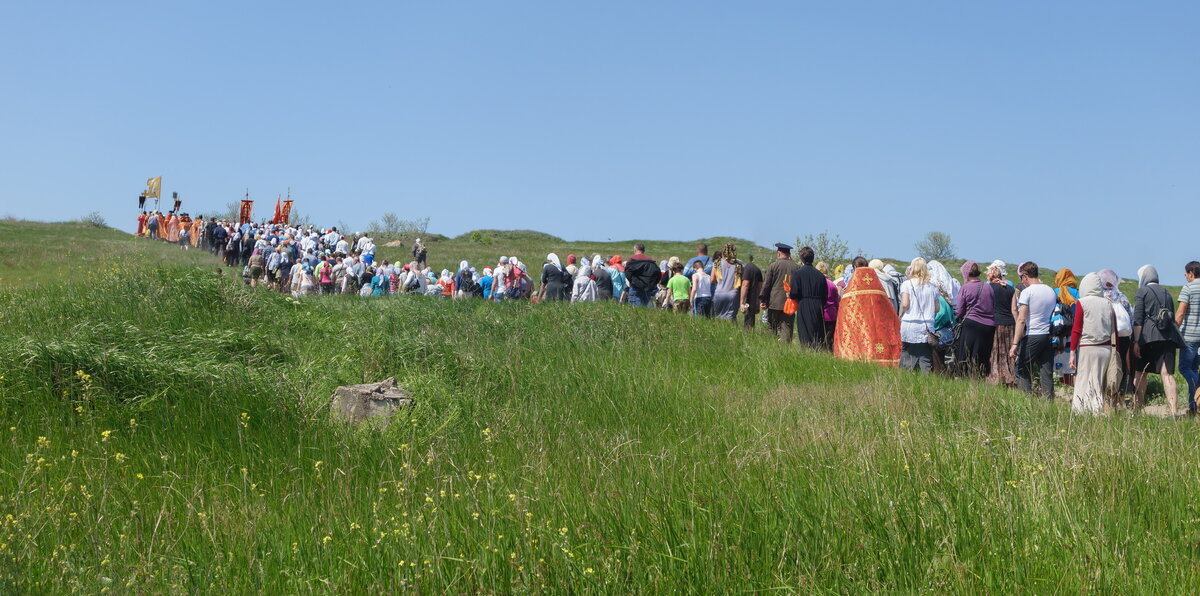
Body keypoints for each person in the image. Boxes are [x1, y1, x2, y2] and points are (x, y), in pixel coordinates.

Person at [1132, 264, 1182, 414]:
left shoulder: (1142, 292)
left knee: (1140, 372)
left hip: (1148, 338)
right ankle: (1173, 411)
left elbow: (1138, 319)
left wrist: (1136, 341)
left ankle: (1138, 407)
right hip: (1168, 337)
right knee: (1167, 375)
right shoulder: (1167, 292)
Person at [1069, 273, 1117, 415]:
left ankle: (1081, 410)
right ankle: (1097, 409)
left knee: (1084, 379)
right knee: (1098, 381)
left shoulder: (1082, 302)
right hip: (1106, 348)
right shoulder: (1108, 303)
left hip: (1087, 347)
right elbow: (1114, 329)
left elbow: (1077, 329)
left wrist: (1072, 351)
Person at [833, 266, 901, 366]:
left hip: (860, 328)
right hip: (877, 328)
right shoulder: (880, 293)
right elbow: (889, 313)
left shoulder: (849, 297)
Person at [1010, 262, 1057, 400]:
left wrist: (1015, 344)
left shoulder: (1027, 292)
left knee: (1020, 368)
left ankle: (1028, 399)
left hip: (1033, 335)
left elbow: (1021, 319)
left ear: (1025, 276)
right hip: (1048, 335)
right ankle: (1048, 402)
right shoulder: (1050, 291)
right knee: (1046, 371)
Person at [899, 258, 940, 372]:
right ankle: (926, 382)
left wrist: (900, 315)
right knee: (925, 357)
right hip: (926, 326)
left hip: (909, 324)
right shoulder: (933, 287)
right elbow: (937, 309)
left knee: (907, 354)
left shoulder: (907, 284)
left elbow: (905, 304)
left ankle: (906, 377)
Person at [955, 261, 996, 377]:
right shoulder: (988, 287)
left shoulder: (965, 288)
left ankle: (964, 378)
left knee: (966, 355)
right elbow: (993, 306)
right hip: (989, 327)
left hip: (971, 324)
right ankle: (980, 377)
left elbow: (959, 311)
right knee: (982, 355)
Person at [1099, 268, 1134, 402]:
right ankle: (1121, 394)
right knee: (1122, 365)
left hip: (1108, 335)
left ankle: (1108, 395)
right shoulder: (1121, 296)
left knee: (1109, 364)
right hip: (1124, 335)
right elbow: (1130, 316)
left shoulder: (1101, 296)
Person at [788, 247, 829, 349]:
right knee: (817, 331)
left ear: (801, 259)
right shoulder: (820, 276)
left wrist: (789, 294)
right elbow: (825, 294)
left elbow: (794, 293)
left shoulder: (797, 274)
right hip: (818, 305)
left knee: (805, 331)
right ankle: (817, 352)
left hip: (804, 304)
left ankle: (807, 352)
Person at [759, 243, 799, 342]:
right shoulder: (796, 267)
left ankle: (770, 347)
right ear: (789, 254)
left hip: (774, 302)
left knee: (771, 328)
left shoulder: (773, 266)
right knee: (787, 329)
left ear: (778, 253)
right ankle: (784, 351)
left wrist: (763, 299)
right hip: (789, 303)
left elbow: (767, 285)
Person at [986, 262, 1018, 386]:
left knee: (995, 351)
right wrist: (1017, 326)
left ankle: (995, 377)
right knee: (1009, 352)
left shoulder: (988, 288)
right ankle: (1010, 376)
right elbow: (1014, 309)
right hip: (1009, 323)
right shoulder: (1010, 289)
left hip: (994, 323)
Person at [1175, 261, 1200, 414]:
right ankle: (1193, 405)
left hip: (1190, 336)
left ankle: (1197, 387)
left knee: (1185, 368)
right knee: (1194, 369)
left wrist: (1174, 330)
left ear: (1191, 273)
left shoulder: (1188, 288)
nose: (1185, 276)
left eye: (1186, 273)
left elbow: (1181, 312)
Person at [709, 243, 742, 321]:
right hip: (733, 295)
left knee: (718, 318)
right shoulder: (739, 264)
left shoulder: (717, 263)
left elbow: (712, 279)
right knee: (731, 319)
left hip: (719, 293)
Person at [624, 243, 660, 308]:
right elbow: (658, 275)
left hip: (635, 290)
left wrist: (634, 282)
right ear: (644, 251)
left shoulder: (631, 260)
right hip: (647, 290)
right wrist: (650, 285)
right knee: (647, 314)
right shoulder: (651, 262)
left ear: (635, 250)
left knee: (635, 313)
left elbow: (627, 274)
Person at [814, 262, 840, 349]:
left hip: (819, 314)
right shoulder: (832, 285)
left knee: (819, 339)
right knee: (829, 340)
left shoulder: (816, 284)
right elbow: (836, 302)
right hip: (831, 315)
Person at [740, 254, 763, 329]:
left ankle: (748, 336)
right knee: (751, 320)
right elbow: (760, 287)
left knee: (748, 321)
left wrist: (742, 302)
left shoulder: (747, 268)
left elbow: (745, 284)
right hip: (754, 297)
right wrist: (758, 302)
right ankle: (750, 335)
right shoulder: (758, 269)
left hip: (748, 298)